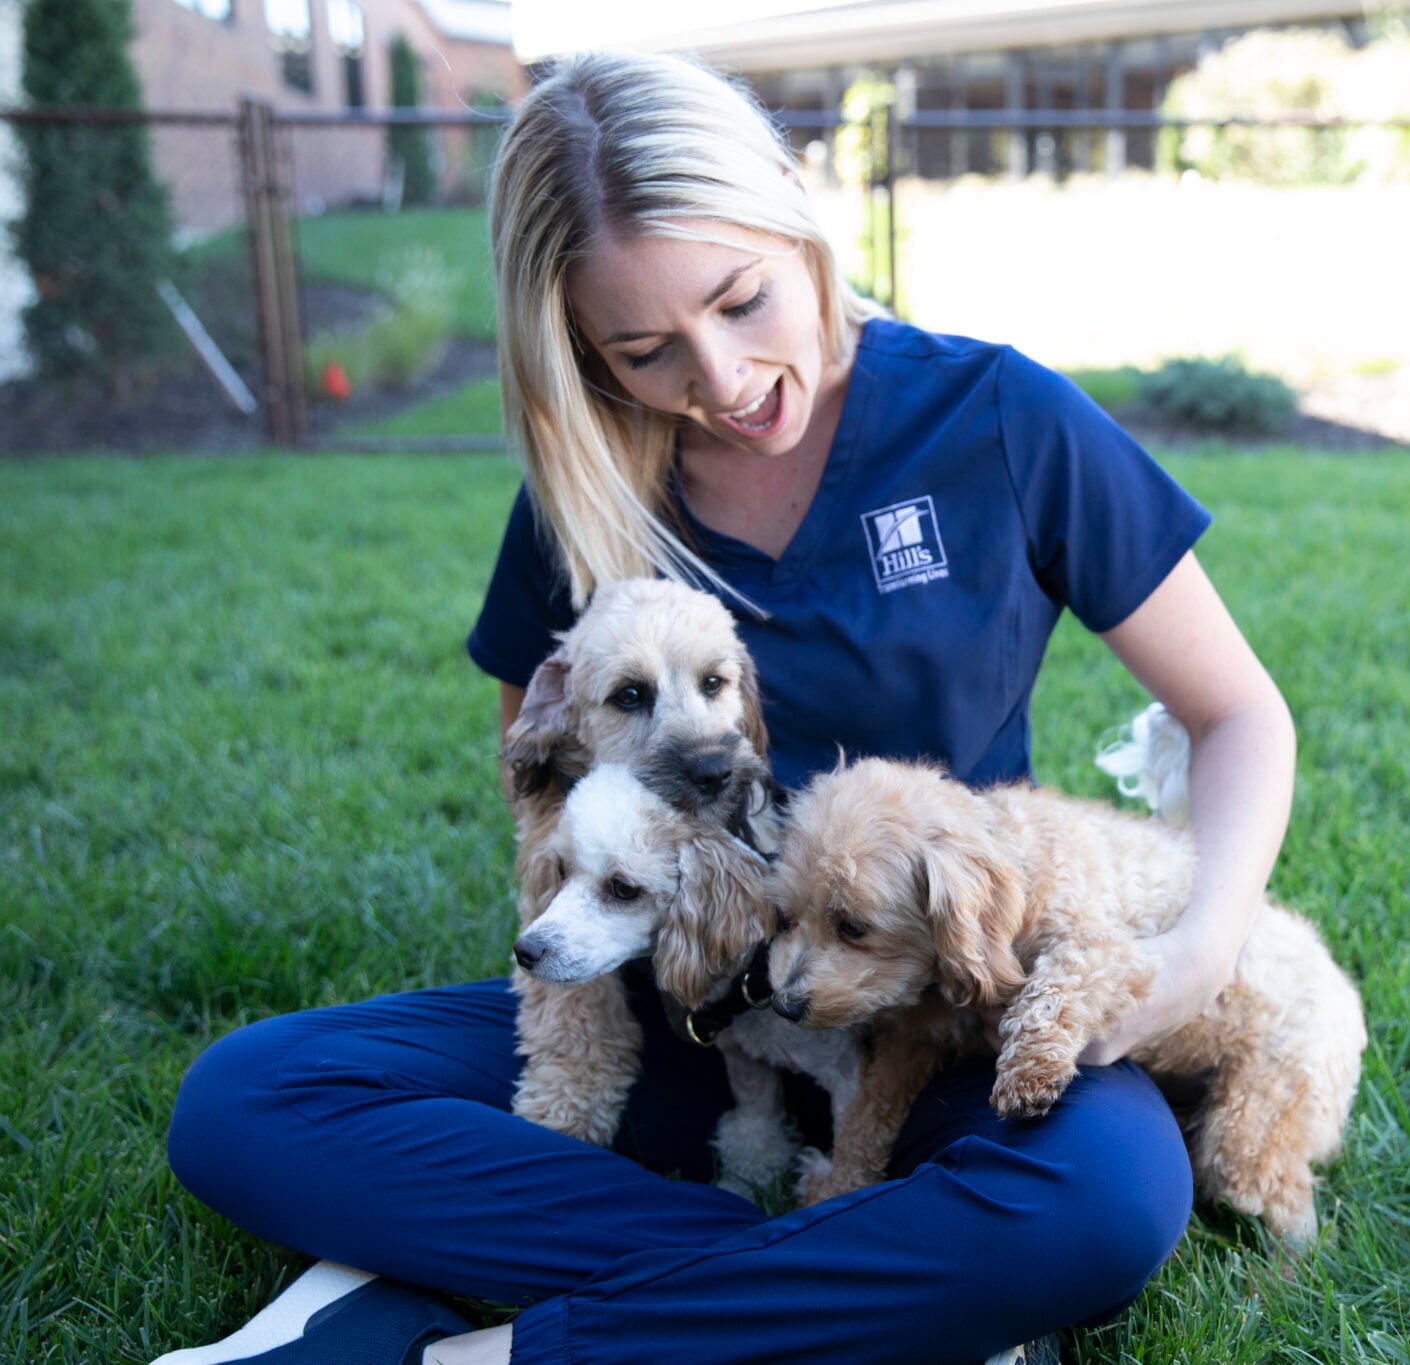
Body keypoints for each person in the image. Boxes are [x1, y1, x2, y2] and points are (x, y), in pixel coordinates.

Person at [160, 49, 1296, 1365]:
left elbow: (1238, 715)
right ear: (581, 350)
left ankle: (475, 1347)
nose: (723, 375)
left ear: (790, 207)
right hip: (682, 1009)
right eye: (645, 349)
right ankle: (900, 1281)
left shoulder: (996, 417)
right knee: (249, 1100)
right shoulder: (587, 493)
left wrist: (1203, 945)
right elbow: (541, 797)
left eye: (742, 299)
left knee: (1104, 1205)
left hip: (937, 1015)